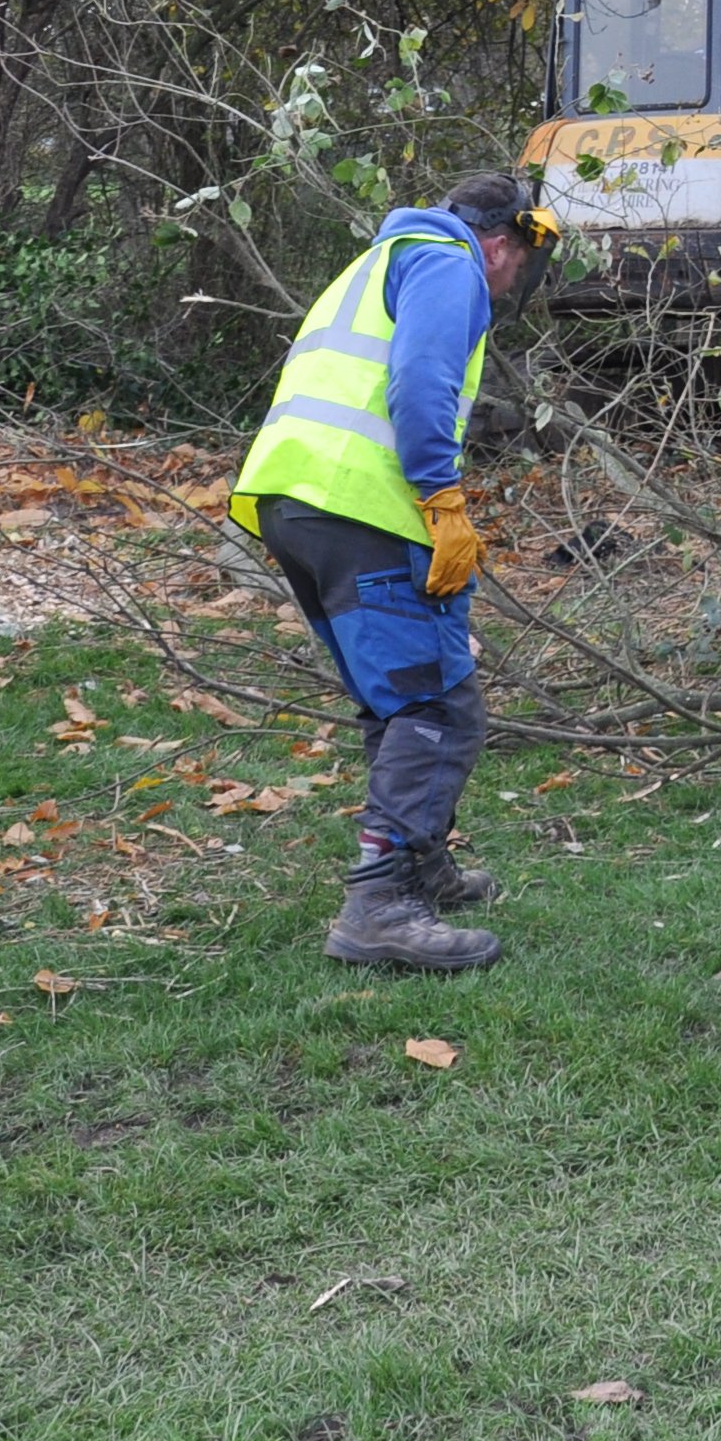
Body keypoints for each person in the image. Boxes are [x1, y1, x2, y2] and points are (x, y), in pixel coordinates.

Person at [229, 170, 557, 975]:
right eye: (517, 261)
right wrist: (443, 502)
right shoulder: (450, 263)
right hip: (363, 506)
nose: (513, 278)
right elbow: (420, 385)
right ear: (501, 242)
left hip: (293, 503)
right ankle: (379, 903)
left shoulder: (379, 261)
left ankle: (419, 865)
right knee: (437, 708)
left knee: (395, 701)